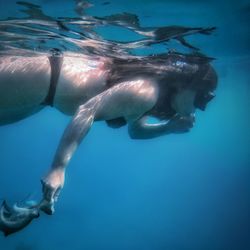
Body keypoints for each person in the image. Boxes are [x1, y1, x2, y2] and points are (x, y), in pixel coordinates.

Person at [0, 48, 217, 235]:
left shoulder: (152, 95)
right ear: (184, 85)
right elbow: (87, 111)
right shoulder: (147, 92)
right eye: (203, 97)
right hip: (44, 78)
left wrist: (168, 128)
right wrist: (58, 167)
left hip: (44, 91)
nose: (202, 107)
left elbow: (136, 131)